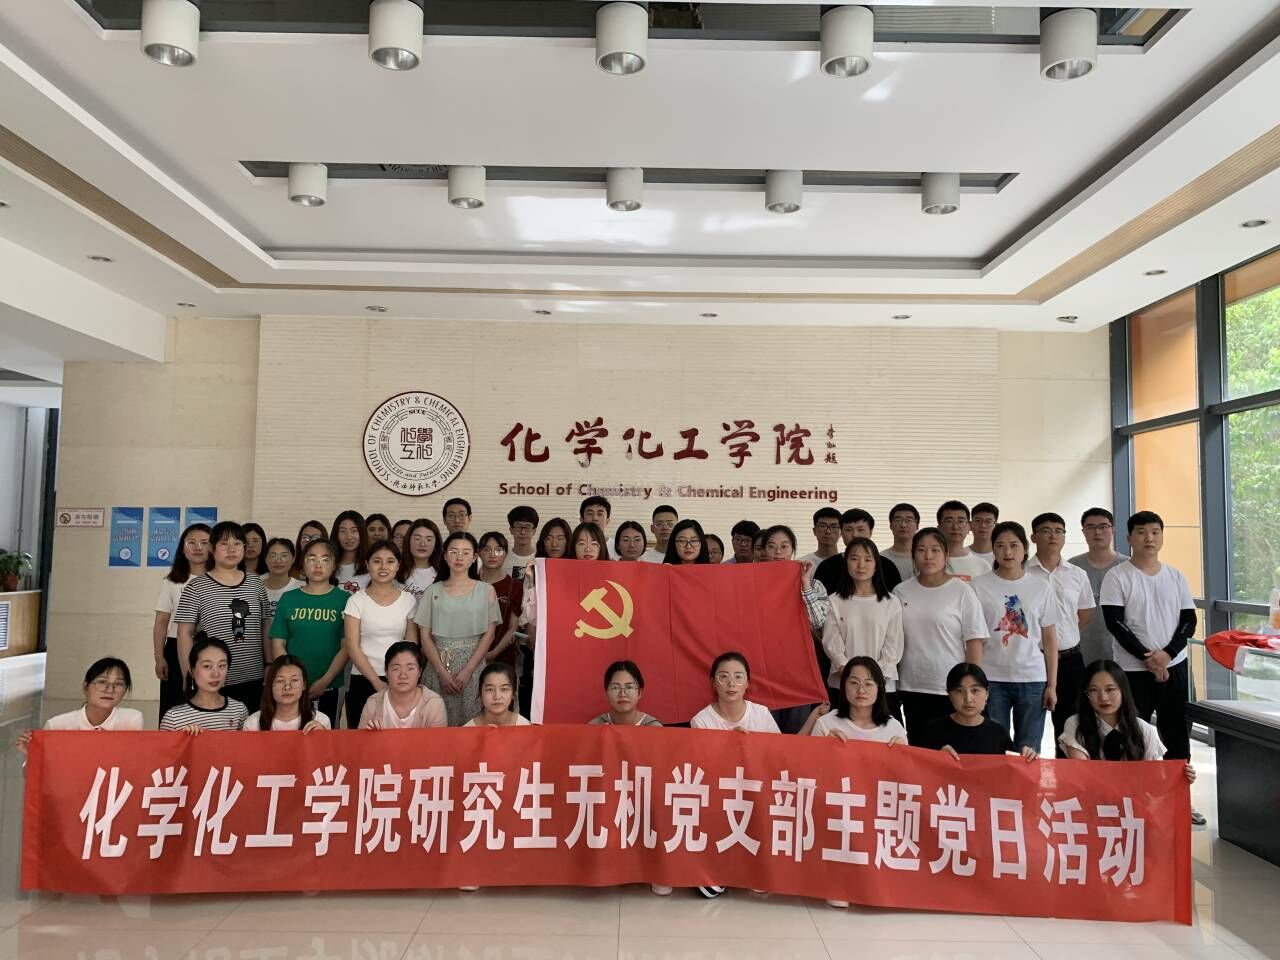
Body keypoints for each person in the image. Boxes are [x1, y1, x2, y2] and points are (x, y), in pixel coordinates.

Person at [1099, 510, 1204, 824]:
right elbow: (1115, 623)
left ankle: (1179, 801)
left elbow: (1189, 621)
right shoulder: (1117, 576)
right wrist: (1149, 658)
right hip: (1132, 671)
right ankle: (1131, 802)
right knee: (1133, 734)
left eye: (1155, 532)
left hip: (1174, 667)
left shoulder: (1175, 575)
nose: (1149, 538)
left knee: (1177, 735)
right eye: (1142, 532)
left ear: (1161, 537)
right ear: (1129, 538)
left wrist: (1167, 655)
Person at [970, 521, 1058, 754]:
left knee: (1028, 750)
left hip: (1032, 678)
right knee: (992, 748)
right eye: (1000, 545)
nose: (1007, 552)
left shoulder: (1041, 587)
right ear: (993, 549)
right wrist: (974, 680)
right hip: (990, 679)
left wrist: (1052, 685)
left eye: (1014, 545)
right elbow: (973, 636)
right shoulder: (978, 586)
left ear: (1025, 549)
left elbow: (1050, 639)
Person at [892, 527, 986, 741]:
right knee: (919, 747)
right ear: (913, 555)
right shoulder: (901, 591)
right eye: (921, 550)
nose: (928, 556)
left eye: (935, 550)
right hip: (912, 684)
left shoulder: (962, 591)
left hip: (951, 687)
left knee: (953, 749)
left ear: (946, 554)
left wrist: (970, 685)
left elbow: (974, 641)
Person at [173, 520, 270, 711]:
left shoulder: (256, 583)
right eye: (224, 544)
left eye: (237, 543)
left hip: (254, 677)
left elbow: (265, 625)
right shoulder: (196, 587)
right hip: (213, 679)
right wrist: (189, 674)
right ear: (211, 548)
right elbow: (184, 633)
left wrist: (269, 664)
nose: (231, 549)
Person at [1059, 660, 1198, 786]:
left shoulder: (1145, 730)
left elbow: (1152, 781)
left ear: (1123, 691)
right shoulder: (1075, 724)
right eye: (1093, 690)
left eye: (1110, 689)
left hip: (1133, 801)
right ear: (1085, 694)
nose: (1103, 697)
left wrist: (1178, 778)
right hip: (1091, 800)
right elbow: (1082, 773)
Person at [1027, 512, 1096, 752]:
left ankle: (1066, 774)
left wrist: (1061, 638)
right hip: (1032, 659)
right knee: (1029, 726)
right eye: (1046, 531)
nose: (1053, 536)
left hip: (1070, 660)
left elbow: (1084, 614)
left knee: (1070, 728)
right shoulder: (1022, 573)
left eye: (1059, 531)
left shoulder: (1077, 574)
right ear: (1033, 537)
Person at [416, 532, 501, 726]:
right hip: (437, 666)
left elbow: (489, 634)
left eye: (465, 552)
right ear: (445, 556)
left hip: (473, 666)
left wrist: (468, 670)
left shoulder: (486, 590)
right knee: (436, 724)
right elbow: (425, 636)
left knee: (471, 725)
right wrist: (441, 672)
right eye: (453, 552)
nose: (459, 557)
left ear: (474, 557)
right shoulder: (432, 591)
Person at [270, 537, 349, 727]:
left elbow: (347, 647)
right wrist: (291, 680)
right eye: (312, 559)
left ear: (334, 565)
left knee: (326, 734)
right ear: (302, 564)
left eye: (325, 559)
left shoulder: (345, 599)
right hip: (292, 688)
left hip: (330, 685)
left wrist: (325, 681)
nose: (318, 565)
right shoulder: (289, 598)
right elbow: (278, 643)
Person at [342, 540, 417, 729]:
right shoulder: (356, 601)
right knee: (362, 741)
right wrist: (376, 682)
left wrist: (401, 678)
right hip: (363, 679)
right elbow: (352, 647)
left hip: (400, 680)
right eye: (377, 561)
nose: (383, 567)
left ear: (398, 565)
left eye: (390, 561)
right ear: (367, 564)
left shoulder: (408, 600)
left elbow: (411, 646)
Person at [821, 538, 904, 706]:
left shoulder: (891, 602)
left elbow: (893, 646)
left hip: (881, 685)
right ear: (846, 563)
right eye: (854, 558)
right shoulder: (834, 601)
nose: (861, 565)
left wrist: (872, 678)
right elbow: (831, 642)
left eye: (867, 559)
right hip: (843, 684)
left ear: (876, 564)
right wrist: (849, 673)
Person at [15, 657, 143, 754]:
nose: (110, 690)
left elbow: (134, 765)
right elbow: (40, 775)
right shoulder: (57, 725)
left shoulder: (132, 720)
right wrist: (32, 753)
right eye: (102, 682)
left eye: (118, 684)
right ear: (86, 687)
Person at [914, 663, 1038, 761]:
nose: (968, 699)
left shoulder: (998, 734)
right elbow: (919, 771)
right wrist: (936, 758)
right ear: (949, 695)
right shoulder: (933, 731)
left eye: (975, 691)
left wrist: (1027, 756)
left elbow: (1012, 773)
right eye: (959, 691)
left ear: (987, 694)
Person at [153, 522, 211, 717]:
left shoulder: (220, 579)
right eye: (191, 542)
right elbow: (161, 621)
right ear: (183, 548)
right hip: (176, 647)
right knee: (175, 703)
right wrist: (159, 657)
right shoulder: (172, 580)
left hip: (211, 648)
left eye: (204, 542)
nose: (198, 547)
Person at [1070, 507, 1129, 666]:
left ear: (1113, 530)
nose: (1097, 532)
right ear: (1083, 531)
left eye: (1103, 527)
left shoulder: (1128, 566)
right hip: (1081, 648)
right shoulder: (1071, 567)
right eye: (1091, 527)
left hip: (1122, 649)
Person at [160, 635, 250, 732]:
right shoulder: (173, 717)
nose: (216, 674)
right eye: (207, 666)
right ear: (192, 671)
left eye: (222, 665)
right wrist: (183, 737)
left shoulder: (239, 710)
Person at [811, 657, 908, 744]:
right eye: (854, 683)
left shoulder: (894, 729)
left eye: (868, 684)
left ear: (879, 689)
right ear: (844, 686)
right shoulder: (825, 724)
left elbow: (905, 759)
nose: (861, 690)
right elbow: (811, 758)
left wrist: (901, 752)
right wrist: (825, 746)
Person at [358, 641, 448, 729]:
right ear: (386, 672)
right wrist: (370, 735)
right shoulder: (373, 703)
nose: (403, 675)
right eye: (396, 669)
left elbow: (438, 739)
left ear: (419, 672)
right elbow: (360, 738)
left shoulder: (434, 704)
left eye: (410, 668)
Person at [813, 509, 902, 597]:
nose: (854, 534)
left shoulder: (887, 566)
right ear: (841, 532)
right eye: (848, 530)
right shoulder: (826, 567)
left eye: (860, 530)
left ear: (871, 532)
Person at [244, 655, 329, 732]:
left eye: (294, 680)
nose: (287, 687)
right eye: (280, 681)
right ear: (270, 685)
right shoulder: (253, 723)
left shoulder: (320, 720)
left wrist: (322, 735)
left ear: (304, 685)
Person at [477, 531, 524, 669]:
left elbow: (513, 628)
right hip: (469, 655)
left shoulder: (515, 587)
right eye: (487, 550)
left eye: (498, 550)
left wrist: (493, 654)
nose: (492, 554)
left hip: (503, 659)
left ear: (506, 554)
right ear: (479, 553)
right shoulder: (469, 582)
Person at [589, 660, 663, 726]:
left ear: (639, 693)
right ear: (606, 694)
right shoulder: (595, 727)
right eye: (615, 688)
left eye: (629, 687)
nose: (622, 694)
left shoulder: (654, 728)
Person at [464, 662, 532, 726]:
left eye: (504, 689)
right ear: (481, 693)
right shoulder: (467, 729)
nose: (497, 697)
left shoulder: (526, 726)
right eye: (490, 689)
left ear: (513, 693)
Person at [937, 501, 989, 580]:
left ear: (969, 527)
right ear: (939, 528)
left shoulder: (982, 566)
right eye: (949, 521)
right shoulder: (928, 563)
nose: (955, 527)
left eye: (961, 521)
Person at [396, 518, 442, 601]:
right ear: (408, 541)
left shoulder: (444, 573)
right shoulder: (396, 570)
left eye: (428, 539)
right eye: (417, 538)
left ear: (436, 545)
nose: (422, 544)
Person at [261, 537, 302, 625]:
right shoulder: (255, 587)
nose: (278, 560)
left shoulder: (302, 588)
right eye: (273, 555)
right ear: (265, 559)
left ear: (293, 558)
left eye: (284, 555)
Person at [332, 510, 370, 594]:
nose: (349, 537)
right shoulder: (329, 565)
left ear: (362, 533)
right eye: (343, 531)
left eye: (354, 531)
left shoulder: (371, 565)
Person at [883, 503, 919, 582]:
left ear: (917, 526)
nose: (903, 525)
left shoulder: (925, 558)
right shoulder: (881, 558)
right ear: (891, 526)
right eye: (898, 520)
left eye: (908, 520)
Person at [502, 505, 539, 578]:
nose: (523, 532)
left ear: (534, 531)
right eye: (518, 526)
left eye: (527, 527)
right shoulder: (502, 558)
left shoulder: (539, 558)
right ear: (511, 530)